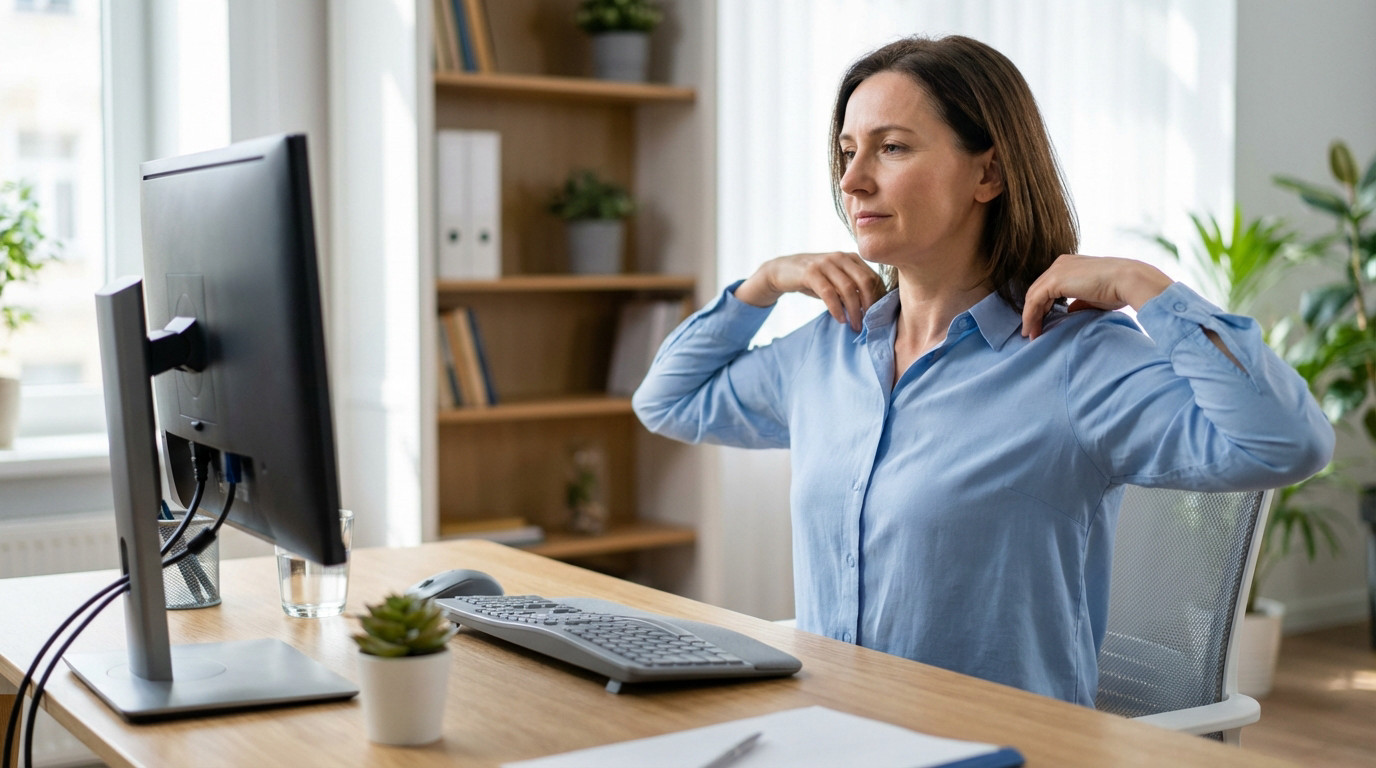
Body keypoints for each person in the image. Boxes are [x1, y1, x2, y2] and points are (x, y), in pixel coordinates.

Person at [631, 34, 1334, 706]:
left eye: (892, 148)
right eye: (847, 151)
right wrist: (762, 284)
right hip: (832, 734)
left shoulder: (1078, 360)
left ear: (988, 173)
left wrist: (1141, 286)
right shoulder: (830, 349)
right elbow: (666, 400)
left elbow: (1286, 442)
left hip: (1003, 749)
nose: (852, 180)